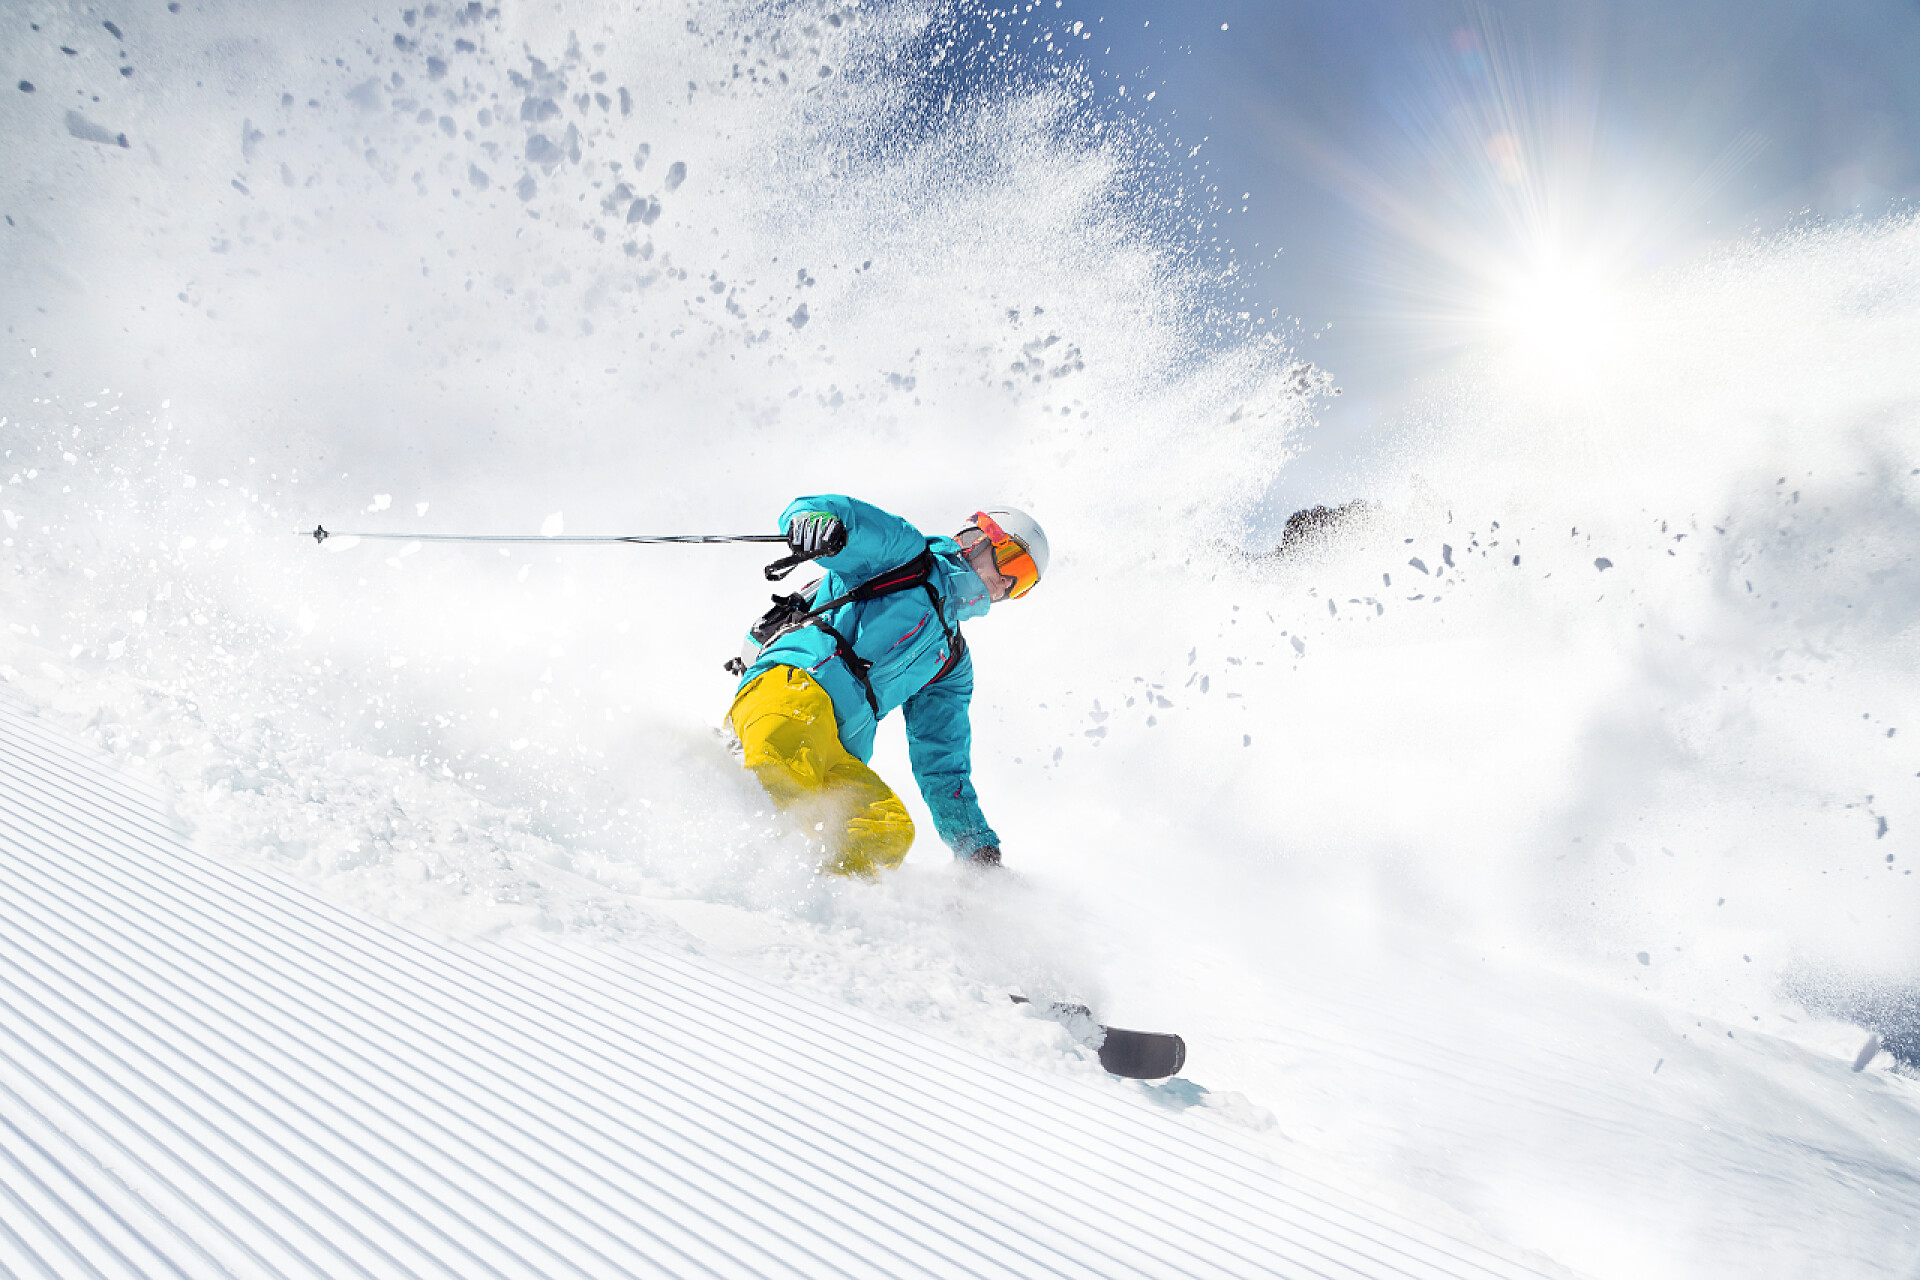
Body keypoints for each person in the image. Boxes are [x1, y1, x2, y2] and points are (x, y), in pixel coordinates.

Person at [726, 496, 1048, 877]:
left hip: (839, 746)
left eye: (1023, 583)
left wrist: (976, 847)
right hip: (794, 686)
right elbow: (848, 520)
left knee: (886, 832)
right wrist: (816, 523)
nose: (1008, 582)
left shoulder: (950, 660)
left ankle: (819, 916)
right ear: (978, 539)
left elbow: (942, 764)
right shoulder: (905, 554)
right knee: (782, 786)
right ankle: (735, 867)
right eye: (1014, 562)